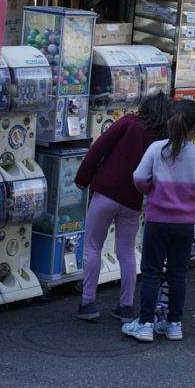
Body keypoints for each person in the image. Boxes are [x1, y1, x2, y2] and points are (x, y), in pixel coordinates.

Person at [123, 99, 195, 343]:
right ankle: (174, 324)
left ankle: (145, 324)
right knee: (177, 274)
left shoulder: (156, 149)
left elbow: (139, 180)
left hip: (157, 222)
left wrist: (155, 190)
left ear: (168, 122)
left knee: (151, 272)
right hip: (185, 225)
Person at [73, 93, 171, 322]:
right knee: (126, 252)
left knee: (93, 246)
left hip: (105, 193)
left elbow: (99, 149)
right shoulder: (162, 139)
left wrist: (82, 178)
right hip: (133, 201)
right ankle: (126, 307)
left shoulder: (128, 122)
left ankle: (88, 303)